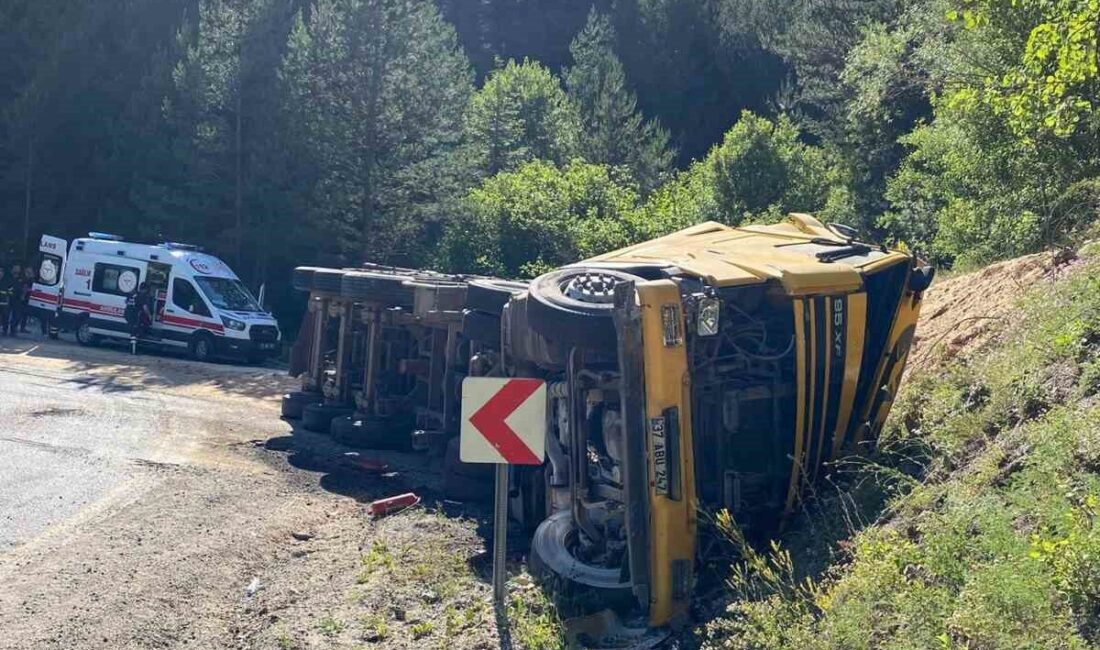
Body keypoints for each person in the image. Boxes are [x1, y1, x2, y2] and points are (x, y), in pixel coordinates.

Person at [8, 263, 26, 337]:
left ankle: (13, 329)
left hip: (18, 299)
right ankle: (5, 329)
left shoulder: (21, 278)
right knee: (6, 315)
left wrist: (23, 295)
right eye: (15, 268)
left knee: (17, 315)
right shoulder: (8, 276)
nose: (17, 269)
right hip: (8, 298)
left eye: (18, 268)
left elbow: (25, 287)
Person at [19, 266, 34, 333]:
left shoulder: (30, 279)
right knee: (21, 314)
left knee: (24, 314)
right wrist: (23, 296)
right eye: (28, 272)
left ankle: (22, 327)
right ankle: (19, 327)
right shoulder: (25, 279)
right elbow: (25, 288)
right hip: (24, 299)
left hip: (27, 299)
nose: (30, 273)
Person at [0, 267, 11, 337]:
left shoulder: (6, 282)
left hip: (4, 303)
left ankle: (4, 330)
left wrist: (8, 300)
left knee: (5, 317)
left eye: (1, 271)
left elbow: (10, 291)